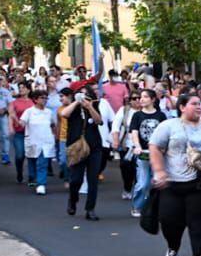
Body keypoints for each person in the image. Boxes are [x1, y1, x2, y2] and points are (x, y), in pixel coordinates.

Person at [150, 93, 201, 256]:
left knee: (200, 221)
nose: (199, 107)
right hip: (173, 182)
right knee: (169, 220)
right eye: (194, 104)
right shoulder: (168, 126)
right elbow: (155, 147)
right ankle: (173, 246)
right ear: (182, 107)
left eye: (200, 104)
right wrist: (160, 172)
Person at [60, 86, 104, 220]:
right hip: (77, 146)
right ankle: (73, 199)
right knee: (76, 179)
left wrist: (90, 107)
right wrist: (77, 102)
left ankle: (90, 209)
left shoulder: (94, 106)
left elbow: (99, 121)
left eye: (86, 95)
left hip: (94, 147)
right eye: (81, 95)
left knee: (93, 179)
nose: (83, 98)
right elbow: (64, 114)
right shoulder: (73, 107)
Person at [130, 89, 168, 218]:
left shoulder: (161, 115)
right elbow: (134, 132)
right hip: (144, 154)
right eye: (141, 97)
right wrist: (137, 146)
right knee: (143, 183)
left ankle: (159, 208)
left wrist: (164, 148)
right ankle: (137, 206)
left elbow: (165, 133)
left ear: (153, 99)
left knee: (159, 182)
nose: (141, 99)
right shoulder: (137, 115)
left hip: (158, 154)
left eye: (145, 97)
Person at [19, 90, 57, 195]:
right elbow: (22, 122)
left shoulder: (49, 112)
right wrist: (18, 122)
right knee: (32, 162)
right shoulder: (29, 112)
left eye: (46, 98)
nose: (44, 100)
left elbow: (53, 125)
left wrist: (56, 136)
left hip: (46, 141)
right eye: (42, 98)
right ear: (35, 99)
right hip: (32, 141)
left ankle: (41, 184)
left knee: (42, 163)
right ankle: (33, 178)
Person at [112, 91, 142, 201]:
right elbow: (115, 125)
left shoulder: (146, 111)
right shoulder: (124, 110)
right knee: (126, 167)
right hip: (126, 144)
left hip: (141, 145)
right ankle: (127, 188)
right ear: (130, 100)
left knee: (139, 168)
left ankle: (139, 190)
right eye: (135, 98)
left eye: (140, 97)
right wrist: (115, 140)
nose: (138, 100)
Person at [8, 82, 35, 185]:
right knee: (20, 155)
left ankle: (32, 177)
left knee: (32, 155)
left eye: (23, 87)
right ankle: (19, 172)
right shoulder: (14, 102)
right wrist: (11, 127)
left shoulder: (33, 102)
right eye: (19, 88)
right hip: (19, 132)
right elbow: (11, 115)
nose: (21, 89)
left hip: (31, 132)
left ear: (28, 90)